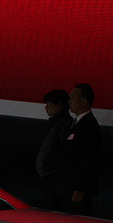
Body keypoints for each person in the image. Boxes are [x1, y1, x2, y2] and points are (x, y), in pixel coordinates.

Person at [58, 82, 101, 214]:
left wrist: (80, 188)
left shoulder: (88, 125)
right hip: (69, 186)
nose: (69, 101)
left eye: (72, 97)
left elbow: (88, 159)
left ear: (84, 101)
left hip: (76, 190)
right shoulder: (77, 123)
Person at [36, 89, 73, 210]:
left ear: (59, 105)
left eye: (49, 104)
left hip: (52, 177)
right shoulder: (57, 123)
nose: (46, 108)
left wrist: (48, 164)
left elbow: (64, 150)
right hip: (49, 174)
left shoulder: (63, 124)